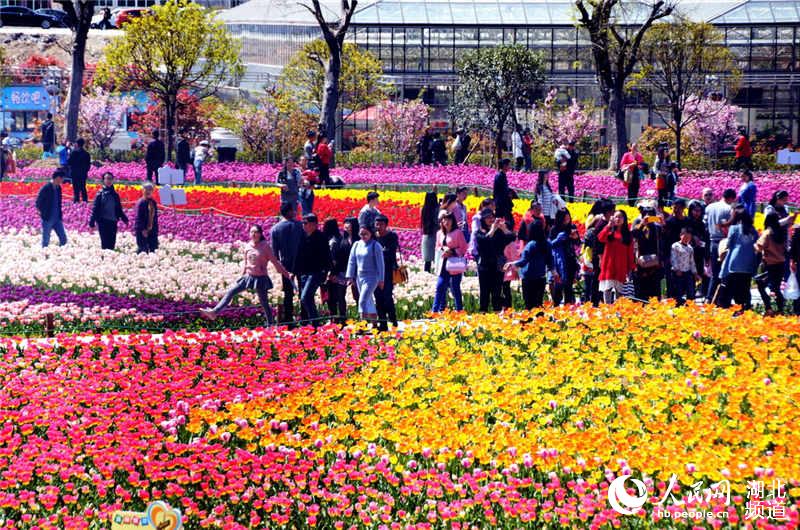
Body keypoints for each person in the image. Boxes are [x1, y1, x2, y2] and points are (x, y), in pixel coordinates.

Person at [201, 225, 291, 326]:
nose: (253, 234)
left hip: (260, 278)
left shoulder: (265, 246)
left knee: (264, 302)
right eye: (251, 232)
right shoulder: (248, 246)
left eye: (256, 232)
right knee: (231, 292)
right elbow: (245, 263)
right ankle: (214, 312)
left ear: (260, 234)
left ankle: (271, 324)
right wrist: (241, 276)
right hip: (248, 277)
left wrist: (285, 273)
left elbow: (275, 262)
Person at [505, 219, 554, 310]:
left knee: (529, 304)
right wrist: (554, 273)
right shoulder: (547, 244)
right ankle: (539, 323)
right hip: (541, 277)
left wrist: (512, 263)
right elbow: (550, 261)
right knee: (538, 304)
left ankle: (529, 323)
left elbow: (523, 261)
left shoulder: (531, 245)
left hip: (529, 278)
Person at [474, 209, 515, 312]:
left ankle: (496, 312)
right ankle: (483, 311)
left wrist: (504, 228)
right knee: (485, 291)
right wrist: (492, 229)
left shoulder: (499, 232)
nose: (490, 219)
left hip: (498, 265)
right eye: (487, 217)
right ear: (483, 219)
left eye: (492, 217)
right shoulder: (479, 232)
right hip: (485, 265)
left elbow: (512, 237)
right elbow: (484, 242)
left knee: (497, 291)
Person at [719, 206, 759, 312]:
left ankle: (734, 308)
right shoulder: (753, 230)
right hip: (749, 263)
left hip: (735, 262)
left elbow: (729, 244)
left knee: (733, 287)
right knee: (745, 287)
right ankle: (745, 308)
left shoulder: (734, 228)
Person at [296, 213, 332, 326]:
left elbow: (327, 256)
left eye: (305, 223)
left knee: (305, 297)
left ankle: (315, 323)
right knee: (307, 298)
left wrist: (326, 272)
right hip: (303, 273)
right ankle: (314, 324)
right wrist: (294, 270)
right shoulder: (302, 236)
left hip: (316, 273)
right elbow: (298, 254)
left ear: (313, 224)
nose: (303, 225)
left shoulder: (321, 238)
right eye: (303, 223)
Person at [270, 203, 303, 324]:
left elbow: (274, 253)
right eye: (293, 210)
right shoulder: (300, 226)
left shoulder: (275, 229)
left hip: (285, 265)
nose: (295, 211)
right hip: (301, 263)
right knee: (303, 292)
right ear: (290, 211)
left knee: (288, 294)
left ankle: (288, 321)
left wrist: (280, 267)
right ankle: (305, 320)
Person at [346, 224, 385, 324]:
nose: (363, 236)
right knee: (369, 300)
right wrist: (350, 276)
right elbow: (352, 260)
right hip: (360, 277)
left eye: (365, 234)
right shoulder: (357, 244)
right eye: (361, 234)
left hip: (372, 277)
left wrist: (381, 279)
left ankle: (362, 324)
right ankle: (374, 323)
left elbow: (381, 264)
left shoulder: (375, 245)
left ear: (371, 234)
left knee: (362, 300)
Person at [432, 211, 468, 312]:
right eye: (444, 219)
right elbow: (437, 247)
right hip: (443, 263)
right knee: (440, 286)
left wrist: (452, 251)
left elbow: (463, 248)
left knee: (455, 287)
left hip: (454, 264)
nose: (446, 222)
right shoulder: (439, 233)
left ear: (453, 221)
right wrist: (444, 249)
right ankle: (435, 311)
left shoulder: (458, 233)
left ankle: (459, 310)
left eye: (448, 219)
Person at [597, 210, 635, 304]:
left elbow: (630, 253)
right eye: (616, 217)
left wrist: (630, 268)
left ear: (624, 219)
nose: (618, 219)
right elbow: (600, 238)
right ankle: (608, 311)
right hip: (608, 265)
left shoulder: (627, 234)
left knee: (620, 292)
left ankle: (617, 312)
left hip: (621, 266)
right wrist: (609, 225)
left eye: (620, 217)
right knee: (607, 289)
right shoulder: (609, 231)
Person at [581, 200, 615, 305]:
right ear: (607, 212)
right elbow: (598, 242)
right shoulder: (601, 224)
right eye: (613, 211)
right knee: (598, 279)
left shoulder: (607, 222)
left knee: (602, 280)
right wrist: (600, 257)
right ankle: (595, 303)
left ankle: (599, 301)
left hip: (604, 256)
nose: (614, 213)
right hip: (600, 257)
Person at [755, 212, 787, 315]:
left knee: (760, 284)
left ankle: (769, 308)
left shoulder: (768, 232)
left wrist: (753, 245)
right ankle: (781, 309)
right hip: (781, 263)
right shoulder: (781, 231)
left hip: (771, 264)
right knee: (776, 287)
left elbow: (759, 247)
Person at [631, 203, 664, 301]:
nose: (648, 217)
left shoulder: (657, 228)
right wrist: (642, 224)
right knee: (641, 292)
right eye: (646, 214)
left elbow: (664, 241)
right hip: (640, 263)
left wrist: (663, 223)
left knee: (654, 291)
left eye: (651, 215)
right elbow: (633, 235)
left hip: (654, 263)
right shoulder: (638, 227)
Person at [89, 172, 129, 250]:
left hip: (113, 221)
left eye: (110, 179)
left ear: (112, 180)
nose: (108, 181)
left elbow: (119, 209)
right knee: (104, 243)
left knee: (112, 244)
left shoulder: (115, 195)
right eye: (106, 179)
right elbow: (95, 209)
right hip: (103, 222)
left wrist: (125, 219)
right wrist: (92, 222)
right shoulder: (100, 194)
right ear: (103, 180)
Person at [548, 208, 579, 306]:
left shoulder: (572, 227)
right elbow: (550, 245)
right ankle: (556, 307)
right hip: (558, 261)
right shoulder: (554, 229)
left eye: (568, 219)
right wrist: (558, 239)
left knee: (568, 287)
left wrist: (576, 238)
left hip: (570, 259)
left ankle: (568, 309)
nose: (567, 221)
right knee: (558, 286)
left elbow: (577, 243)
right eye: (564, 219)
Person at [324, 218, 350, 324]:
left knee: (332, 297)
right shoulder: (342, 238)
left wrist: (331, 273)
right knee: (340, 297)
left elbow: (333, 260)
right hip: (342, 272)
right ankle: (342, 318)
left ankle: (334, 319)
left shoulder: (333, 241)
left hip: (334, 274)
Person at [374, 215, 399, 331]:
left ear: (386, 225)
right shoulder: (373, 237)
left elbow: (390, 253)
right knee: (378, 297)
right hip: (376, 271)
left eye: (381, 224)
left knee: (387, 296)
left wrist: (379, 253)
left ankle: (393, 318)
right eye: (376, 224)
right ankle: (382, 323)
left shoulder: (391, 236)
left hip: (388, 271)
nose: (378, 227)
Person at [35, 170, 67, 248]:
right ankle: (45, 255)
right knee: (46, 240)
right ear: (58, 178)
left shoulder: (58, 188)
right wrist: (40, 211)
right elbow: (38, 201)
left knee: (63, 239)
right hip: (48, 217)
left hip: (57, 218)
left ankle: (61, 254)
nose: (62, 181)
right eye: (62, 179)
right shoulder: (46, 188)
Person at [687, 200, 710, 298]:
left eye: (699, 211)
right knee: (690, 272)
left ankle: (701, 290)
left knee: (701, 271)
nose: (697, 213)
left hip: (700, 251)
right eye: (695, 211)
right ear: (691, 211)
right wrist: (692, 237)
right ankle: (690, 292)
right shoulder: (687, 222)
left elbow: (705, 237)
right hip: (689, 251)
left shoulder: (702, 223)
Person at [671, 227, 700, 306]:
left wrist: (695, 273)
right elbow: (673, 258)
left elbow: (692, 262)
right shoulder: (675, 246)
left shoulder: (690, 248)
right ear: (681, 235)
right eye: (685, 237)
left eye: (689, 237)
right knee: (678, 291)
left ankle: (690, 305)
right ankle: (678, 305)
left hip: (687, 272)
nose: (687, 239)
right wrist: (677, 269)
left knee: (690, 290)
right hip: (678, 273)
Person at [135, 182, 159, 253]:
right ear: (143, 190)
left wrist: (155, 229)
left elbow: (155, 216)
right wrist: (143, 229)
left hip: (152, 229)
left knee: (153, 248)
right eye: (146, 189)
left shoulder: (153, 202)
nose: (148, 191)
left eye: (150, 190)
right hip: (142, 229)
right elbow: (139, 218)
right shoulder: (141, 202)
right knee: (143, 249)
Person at [420, 192, 440, 273]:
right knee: (437, 257)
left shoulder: (424, 209)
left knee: (427, 260)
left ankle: (426, 274)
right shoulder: (436, 209)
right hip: (435, 235)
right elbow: (437, 221)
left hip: (426, 235)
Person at [67, 138, 90, 203]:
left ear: (77, 144)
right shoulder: (86, 154)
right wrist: (85, 171)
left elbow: (69, 162)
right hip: (83, 174)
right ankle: (85, 201)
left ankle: (76, 201)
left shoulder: (73, 153)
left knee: (76, 189)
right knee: (83, 188)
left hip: (75, 173)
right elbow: (88, 165)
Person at [493, 159, 514, 229]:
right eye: (509, 165)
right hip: (501, 203)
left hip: (502, 202)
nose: (510, 167)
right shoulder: (500, 176)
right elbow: (501, 191)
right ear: (505, 166)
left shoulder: (502, 175)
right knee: (503, 220)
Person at [791, 225, 800, 315]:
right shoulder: (797, 230)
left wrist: (792, 261)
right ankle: (797, 309)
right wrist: (792, 261)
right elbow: (793, 248)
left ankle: (797, 310)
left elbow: (792, 249)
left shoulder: (797, 230)